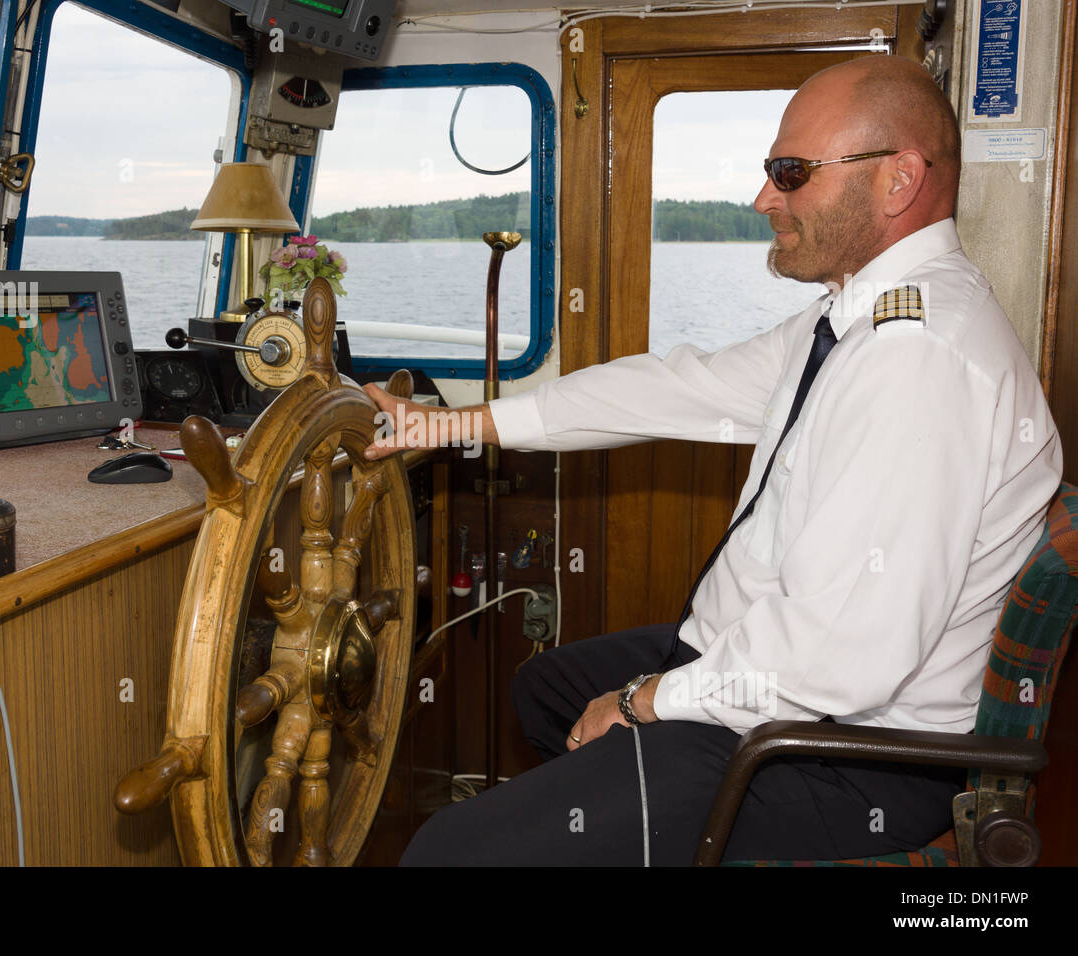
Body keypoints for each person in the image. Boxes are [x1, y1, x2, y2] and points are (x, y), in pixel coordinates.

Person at [362, 55, 1063, 866]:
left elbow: (837, 662)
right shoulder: (856, 317)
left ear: (898, 180)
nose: (764, 198)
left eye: (790, 174)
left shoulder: (921, 362)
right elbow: (676, 389)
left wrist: (646, 700)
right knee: (545, 689)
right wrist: (453, 426)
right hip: (783, 678)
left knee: (443, 854)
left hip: (841, 751)